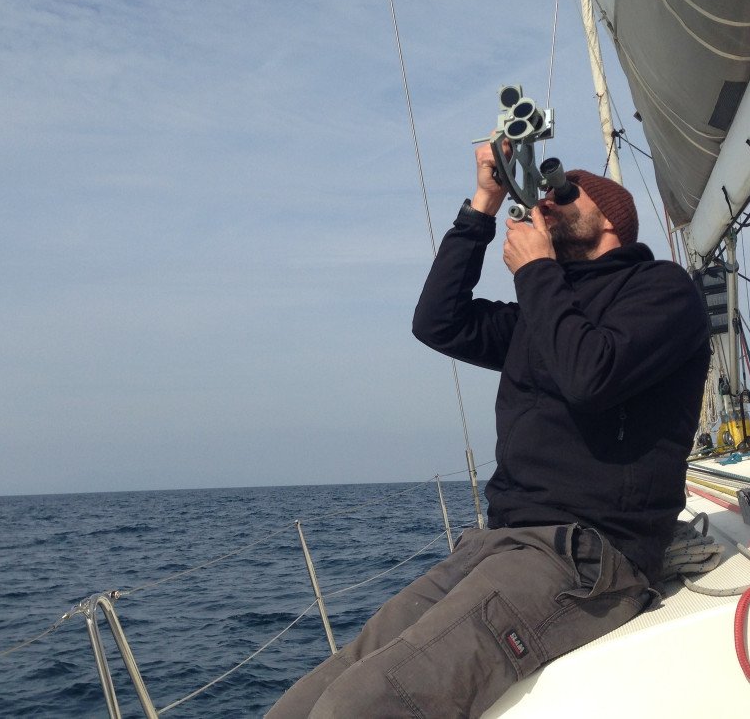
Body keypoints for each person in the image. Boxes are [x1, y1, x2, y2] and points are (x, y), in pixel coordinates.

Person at [267, 142, 710, 718]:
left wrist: (537, 270)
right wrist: (484, 204)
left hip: (587, 556)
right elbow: (438, 322)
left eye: (568, 194)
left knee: (361, 703)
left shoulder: (662, 290)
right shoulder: (543, 309)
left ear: (613, 222)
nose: (549, 201)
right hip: (497, 543)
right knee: (317, 690)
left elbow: (591, 374)